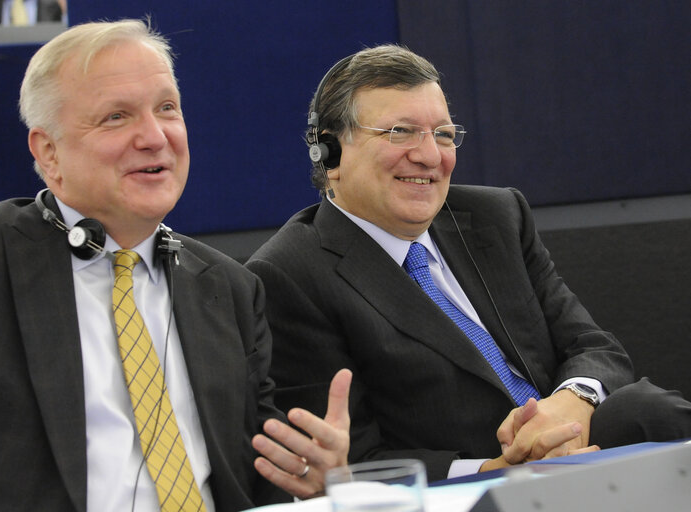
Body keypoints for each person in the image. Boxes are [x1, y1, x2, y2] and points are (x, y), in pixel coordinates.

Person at [0, 19, 351, 511]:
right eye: (116, 117)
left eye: (167, 108)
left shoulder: (230, 288)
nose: (154, 137)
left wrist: (310, 475)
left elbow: (253, 477)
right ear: (49, 152)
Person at [245, 44, 691, 482]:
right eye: (400, 132)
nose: (430, 155)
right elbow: (351, 458)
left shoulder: (496, 216)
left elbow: (595, 347)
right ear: (330, 153)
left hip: (574, 442)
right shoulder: (288, 275)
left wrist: (570, 401)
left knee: (652, 413)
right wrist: (493, 469)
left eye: (442, 133)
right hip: (465, 484)